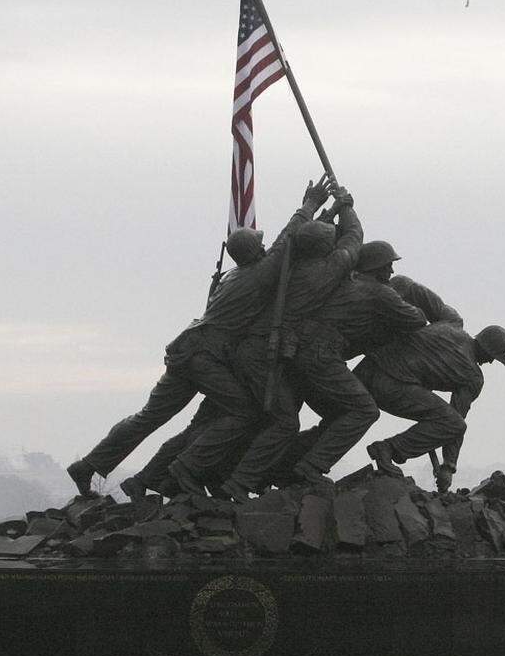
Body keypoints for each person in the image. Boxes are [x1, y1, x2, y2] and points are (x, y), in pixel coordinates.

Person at [64, 178, 330, 496]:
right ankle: (185, 468)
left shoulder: (231, 276)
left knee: (149, 417)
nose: (265, 246)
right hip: (207, 356)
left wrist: (321, 220)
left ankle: (89, 465)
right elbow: (287, 241)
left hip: (187, 349)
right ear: (256, 251)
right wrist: (310, 204)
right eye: (261, 244)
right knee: (243, 412)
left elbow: (288, 250)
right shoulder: (257, 275)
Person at [218, 183, 364, 499]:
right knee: (284, 422)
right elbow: (353, 240)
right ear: (326, 248)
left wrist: (325, 210)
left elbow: (295, 237)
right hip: (263, 352)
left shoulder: (284, 266)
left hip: (254, 350)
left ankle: (246, 477)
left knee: (271, 417)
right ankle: (239, 482)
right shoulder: (326, 270)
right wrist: (347, 208)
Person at [357, 323, 505, 492]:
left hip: (366, 369)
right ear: (486, 348)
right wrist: (448, 467)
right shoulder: (473, 377)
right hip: (389, 384)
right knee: (453, 424)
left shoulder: (448, 327)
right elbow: (456, 421)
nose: (489, 362)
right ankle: (387, 449)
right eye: (492, 356)